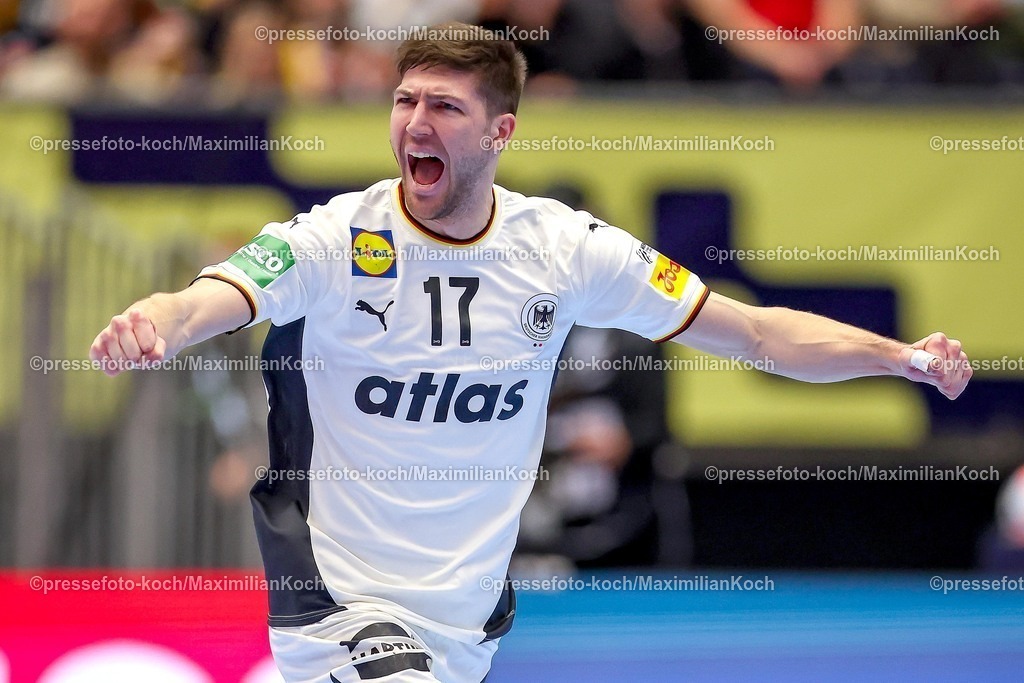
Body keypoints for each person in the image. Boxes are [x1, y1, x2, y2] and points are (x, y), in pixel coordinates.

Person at [89, 21, 972, 683]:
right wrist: (157, 322)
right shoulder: (335, 239)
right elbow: (208, 297)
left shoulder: (564, 249)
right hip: (338, 599)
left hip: (468, 620)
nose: (415, 123)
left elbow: (755, 331)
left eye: (445, 106)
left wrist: (896, 356)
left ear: (500, 133)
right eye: (405, 100)